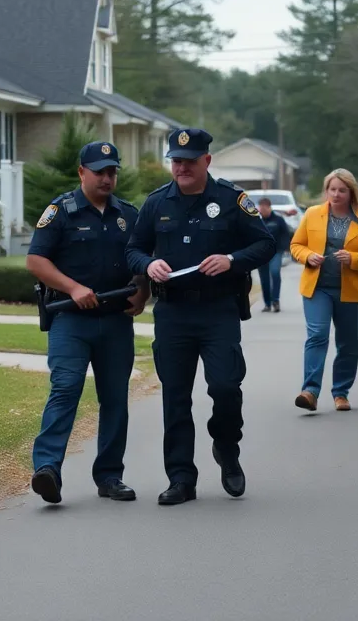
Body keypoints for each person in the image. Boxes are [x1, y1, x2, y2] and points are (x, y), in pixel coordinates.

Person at [125, 128, 276, 506]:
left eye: (190, 161)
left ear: (207, 161)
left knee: (225, 387)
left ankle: (227, 448)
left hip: (218, 310)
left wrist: (232, 260)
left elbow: (265, 243)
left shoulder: (231, 199)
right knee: (175, 397)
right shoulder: (157, 203)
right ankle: (181, 478)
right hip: (173, 312)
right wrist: (148, 264)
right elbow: (134, 248)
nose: (182, 168)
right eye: (176, 161)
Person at [26, 141, 148, 505]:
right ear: (82, 172)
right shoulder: (61, 211)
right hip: (70, 320)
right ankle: (47, 469)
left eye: (112, 172)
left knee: (114, 398)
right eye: (99, 172)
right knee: (65, 389)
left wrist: (142, 293)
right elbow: (36, 260)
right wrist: (73, 287)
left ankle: (110, 476)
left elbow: (141, 260)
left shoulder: (129, 213)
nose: (107, 178)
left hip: (114, 321)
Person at [290, 169, 358, 412]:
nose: (337, 194)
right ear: (326, 191)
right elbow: (296, 245)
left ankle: (341, 393)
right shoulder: (312, 214)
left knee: (348, 343)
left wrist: (353, 258)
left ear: (351, 192)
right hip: (317, 288)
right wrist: (308, 256)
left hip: (350, 291)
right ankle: (310, 391)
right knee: (318, 335)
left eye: (342, 190)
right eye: (333, 189)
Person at [256, 196, 291, 312]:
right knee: (264, 279)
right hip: (261, 253)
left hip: (276, 251)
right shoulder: (257, 221)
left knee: (275, 272)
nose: (263, 210)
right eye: (261, 208)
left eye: (265, 208)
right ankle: (267, 303)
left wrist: (285, 247)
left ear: (269, 208)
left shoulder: (278, 220)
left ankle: (275, 300)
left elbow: (286, 234)